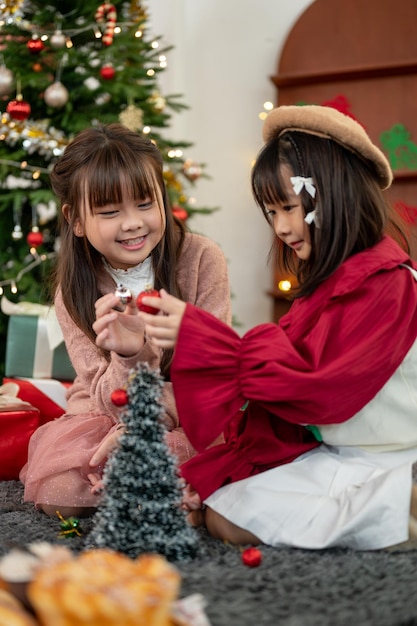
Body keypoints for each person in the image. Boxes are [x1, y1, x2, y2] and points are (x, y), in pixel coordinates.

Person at [137, 105, 417, 550]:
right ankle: (382, 511)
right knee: (225, 511)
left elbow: (317, 390)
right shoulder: (322, 291)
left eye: (289, 207)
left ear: (335, 194)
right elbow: (286, 386)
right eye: (271, 213)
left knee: (232, 515)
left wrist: (205, 338)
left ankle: (397, 506)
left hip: (392, 458)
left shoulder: (390, 284)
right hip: (338, 456)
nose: (282, 228)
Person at [20, 123, 232, 518]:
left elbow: (213, 373)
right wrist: (131, 356)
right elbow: (98, 389)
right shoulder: (75, 289)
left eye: (145, 204)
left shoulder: (202, 260)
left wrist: (141, 429)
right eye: (109, 211)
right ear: (76, 220)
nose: (132, 222)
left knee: (193, 478)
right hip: (104, 413)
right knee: (58, 494)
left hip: (186, 413)